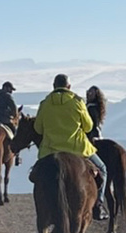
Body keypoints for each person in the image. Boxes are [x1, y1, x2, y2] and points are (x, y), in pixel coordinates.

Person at [32, 74, 108, 219]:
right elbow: (88, 126)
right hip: (77, 149)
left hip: (50, 150)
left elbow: (38, 129)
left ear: (54, 86)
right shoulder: (77, 102)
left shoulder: (45, 103)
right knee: (103, 169)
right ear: (69, 87)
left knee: (36, 174)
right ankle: (98, 205)